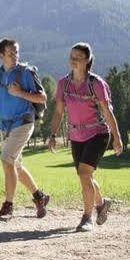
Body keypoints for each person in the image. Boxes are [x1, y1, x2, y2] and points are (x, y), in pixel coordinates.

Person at [0, 38, 51, 221]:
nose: (15, 56)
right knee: (15, 166)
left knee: (7, 160)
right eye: (10, 53)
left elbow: (43, 98)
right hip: (5, 127)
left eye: (17, 52)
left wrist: (20, 93)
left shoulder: (26, 73)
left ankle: (8, 206)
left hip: (24, 122)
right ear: (1, 55)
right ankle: (40, 197)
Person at [47, 42, 124, 232]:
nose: (73, 60)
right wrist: (53, 134)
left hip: (98, 133)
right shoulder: (63, 84)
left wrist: (117, 137)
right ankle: (102, 204)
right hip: (76, 136)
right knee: (86, 176)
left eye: (78, 57)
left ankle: (87, 218)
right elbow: (58, 112)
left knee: (84, 173)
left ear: (87, 60)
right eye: (72, 56)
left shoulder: (96, 84)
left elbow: (107, 112)